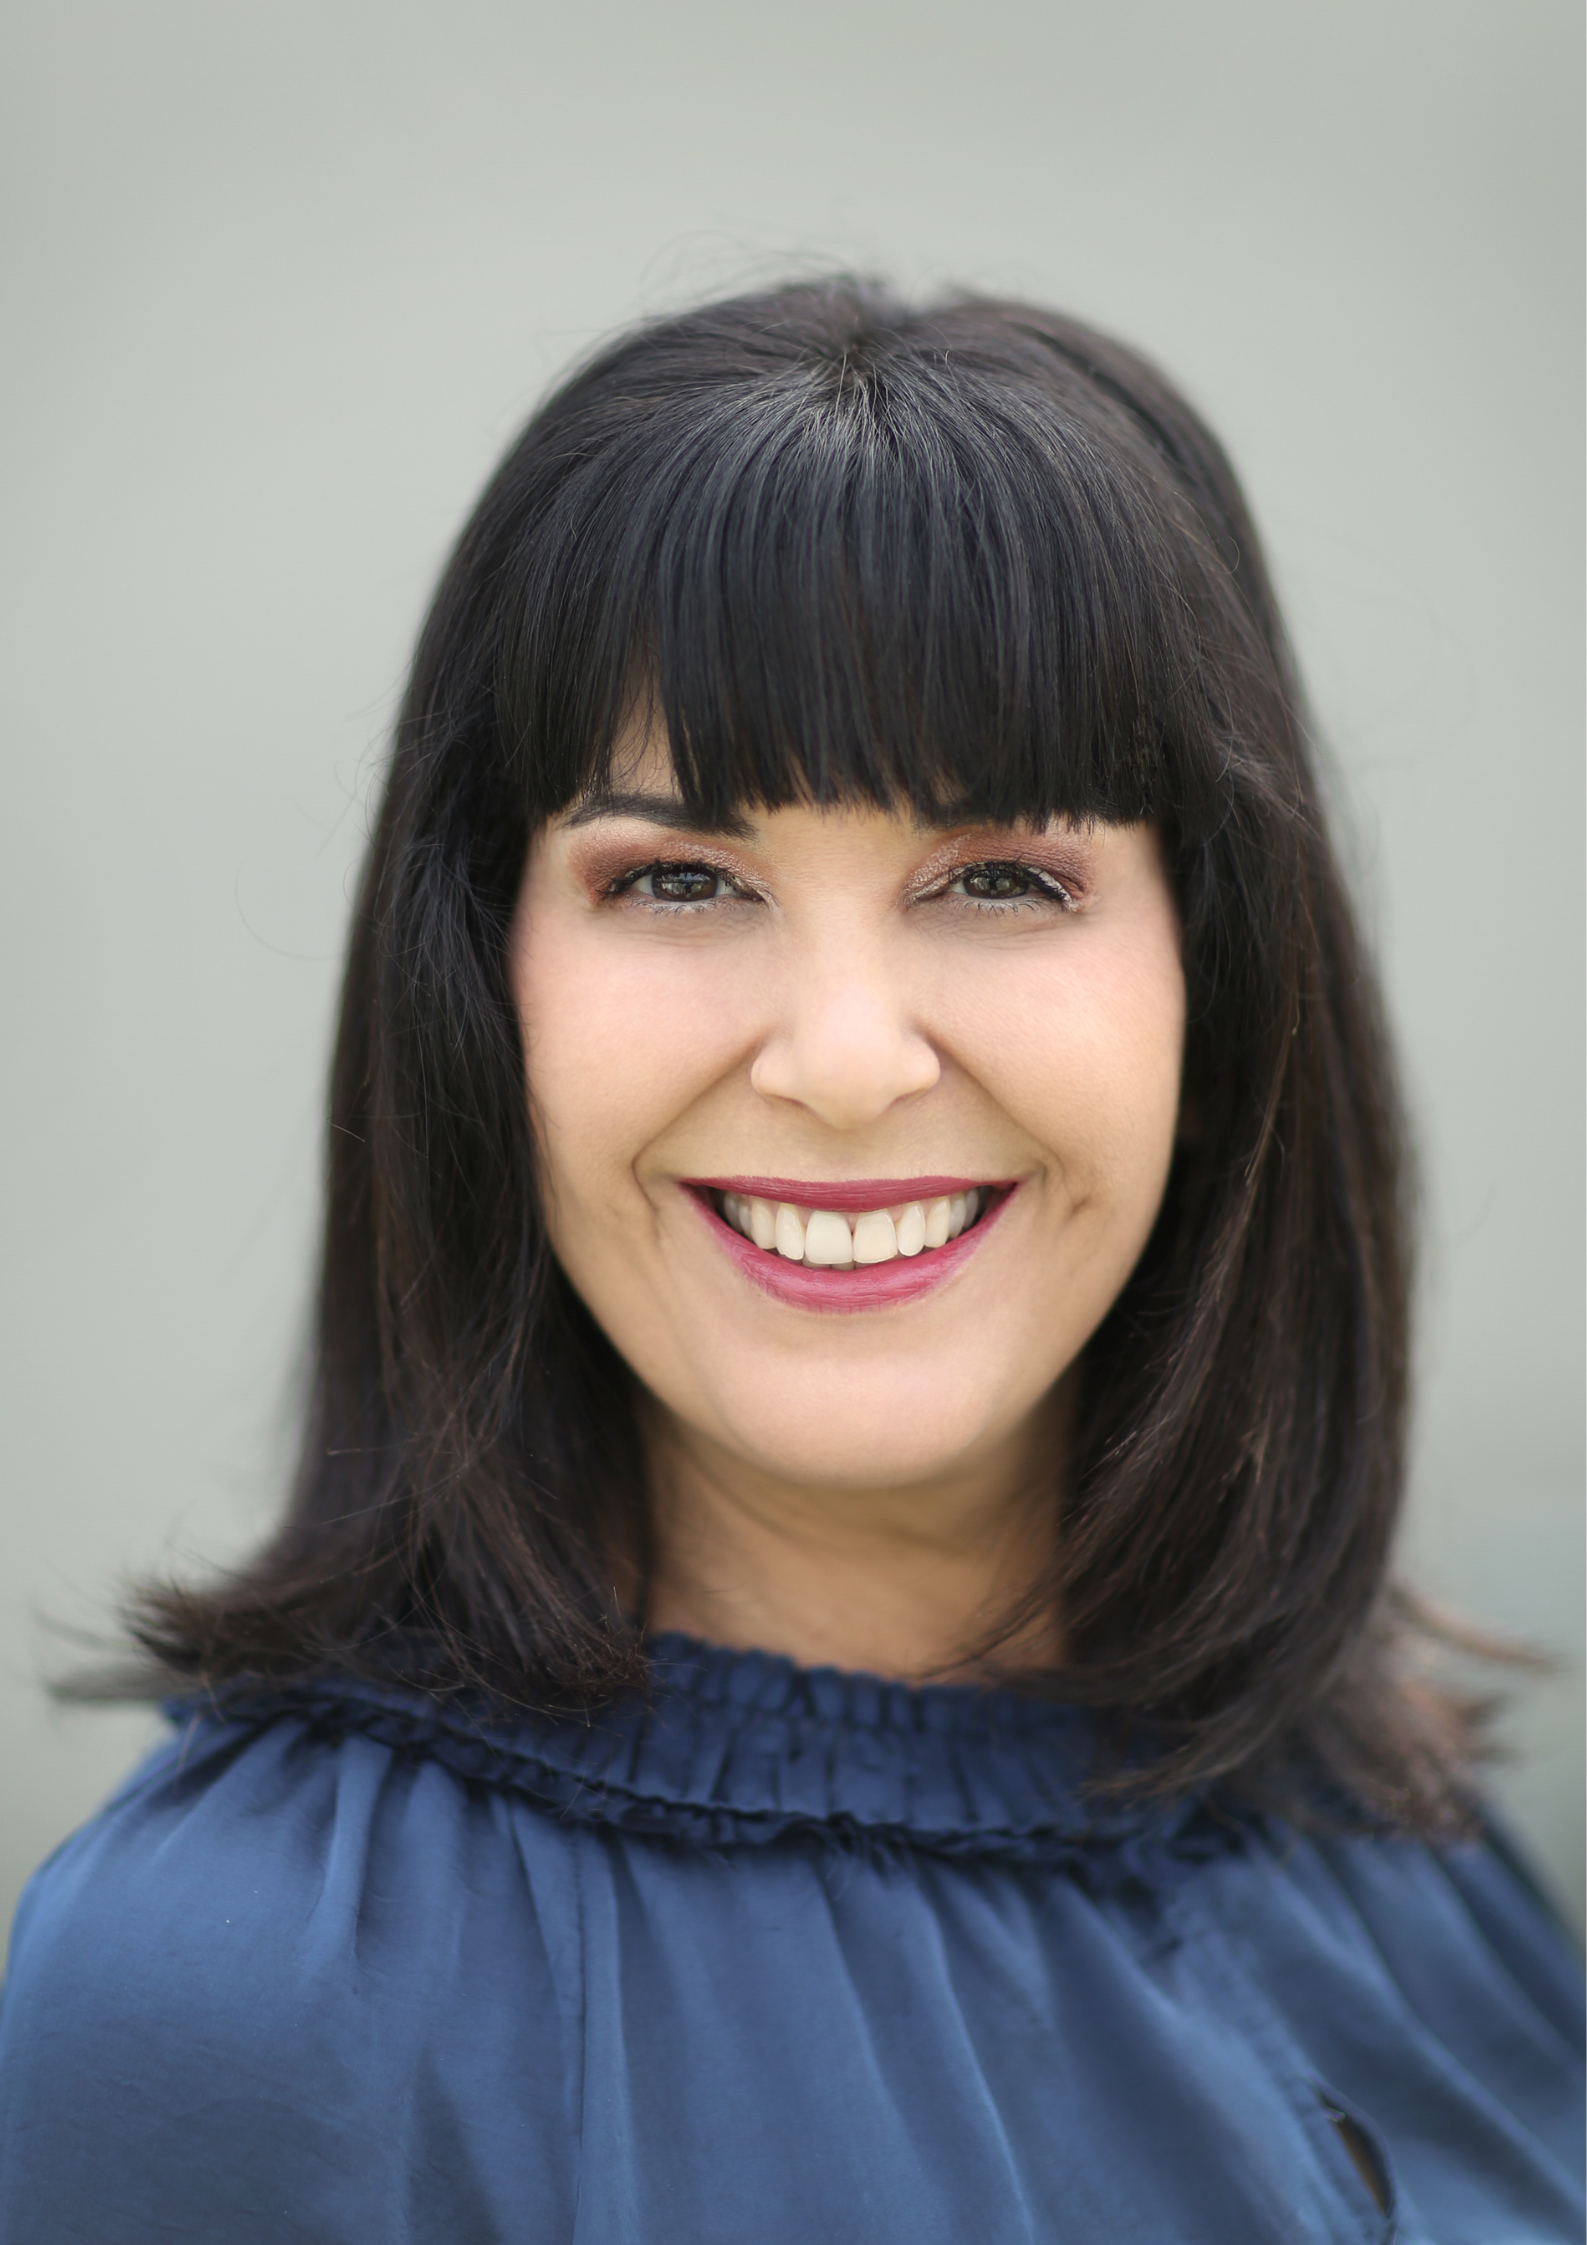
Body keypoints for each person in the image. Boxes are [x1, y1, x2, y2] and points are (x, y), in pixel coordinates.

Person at [0, 279, 1579, 2245]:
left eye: (1001, 877)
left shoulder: (1385, 1815)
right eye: (677, 878)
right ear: (483, 996)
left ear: (1221, 983)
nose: (841, 1063)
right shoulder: (237, 2006)